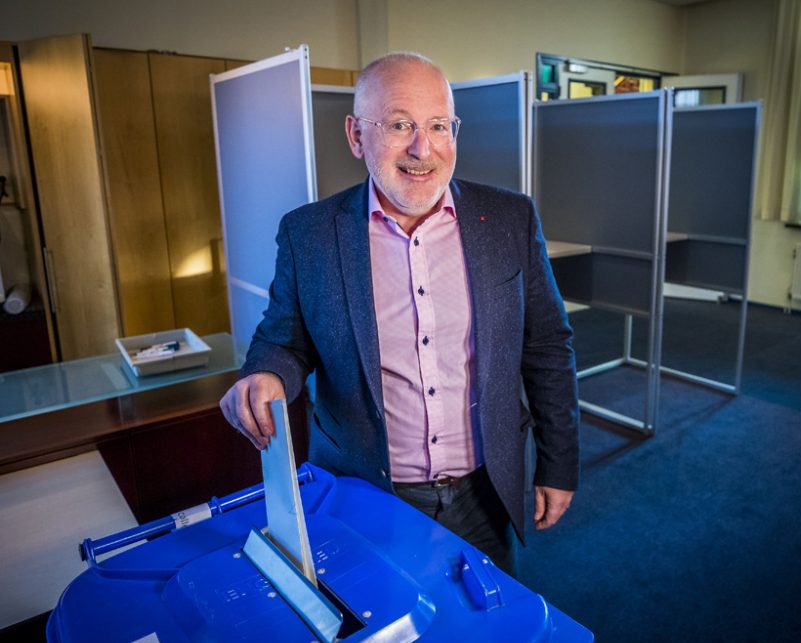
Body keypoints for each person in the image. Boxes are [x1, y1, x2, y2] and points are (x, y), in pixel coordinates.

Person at [220, 52, 579, 573]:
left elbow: (546, 345)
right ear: (356, 136)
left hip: (485, 491)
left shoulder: (508, 218)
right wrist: (267, 374)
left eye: (438, 125)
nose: (422, 148)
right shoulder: (310, 234)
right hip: (364, 496)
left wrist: (558, 461)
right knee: (376, 640)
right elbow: (284, 341)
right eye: (398, 125)